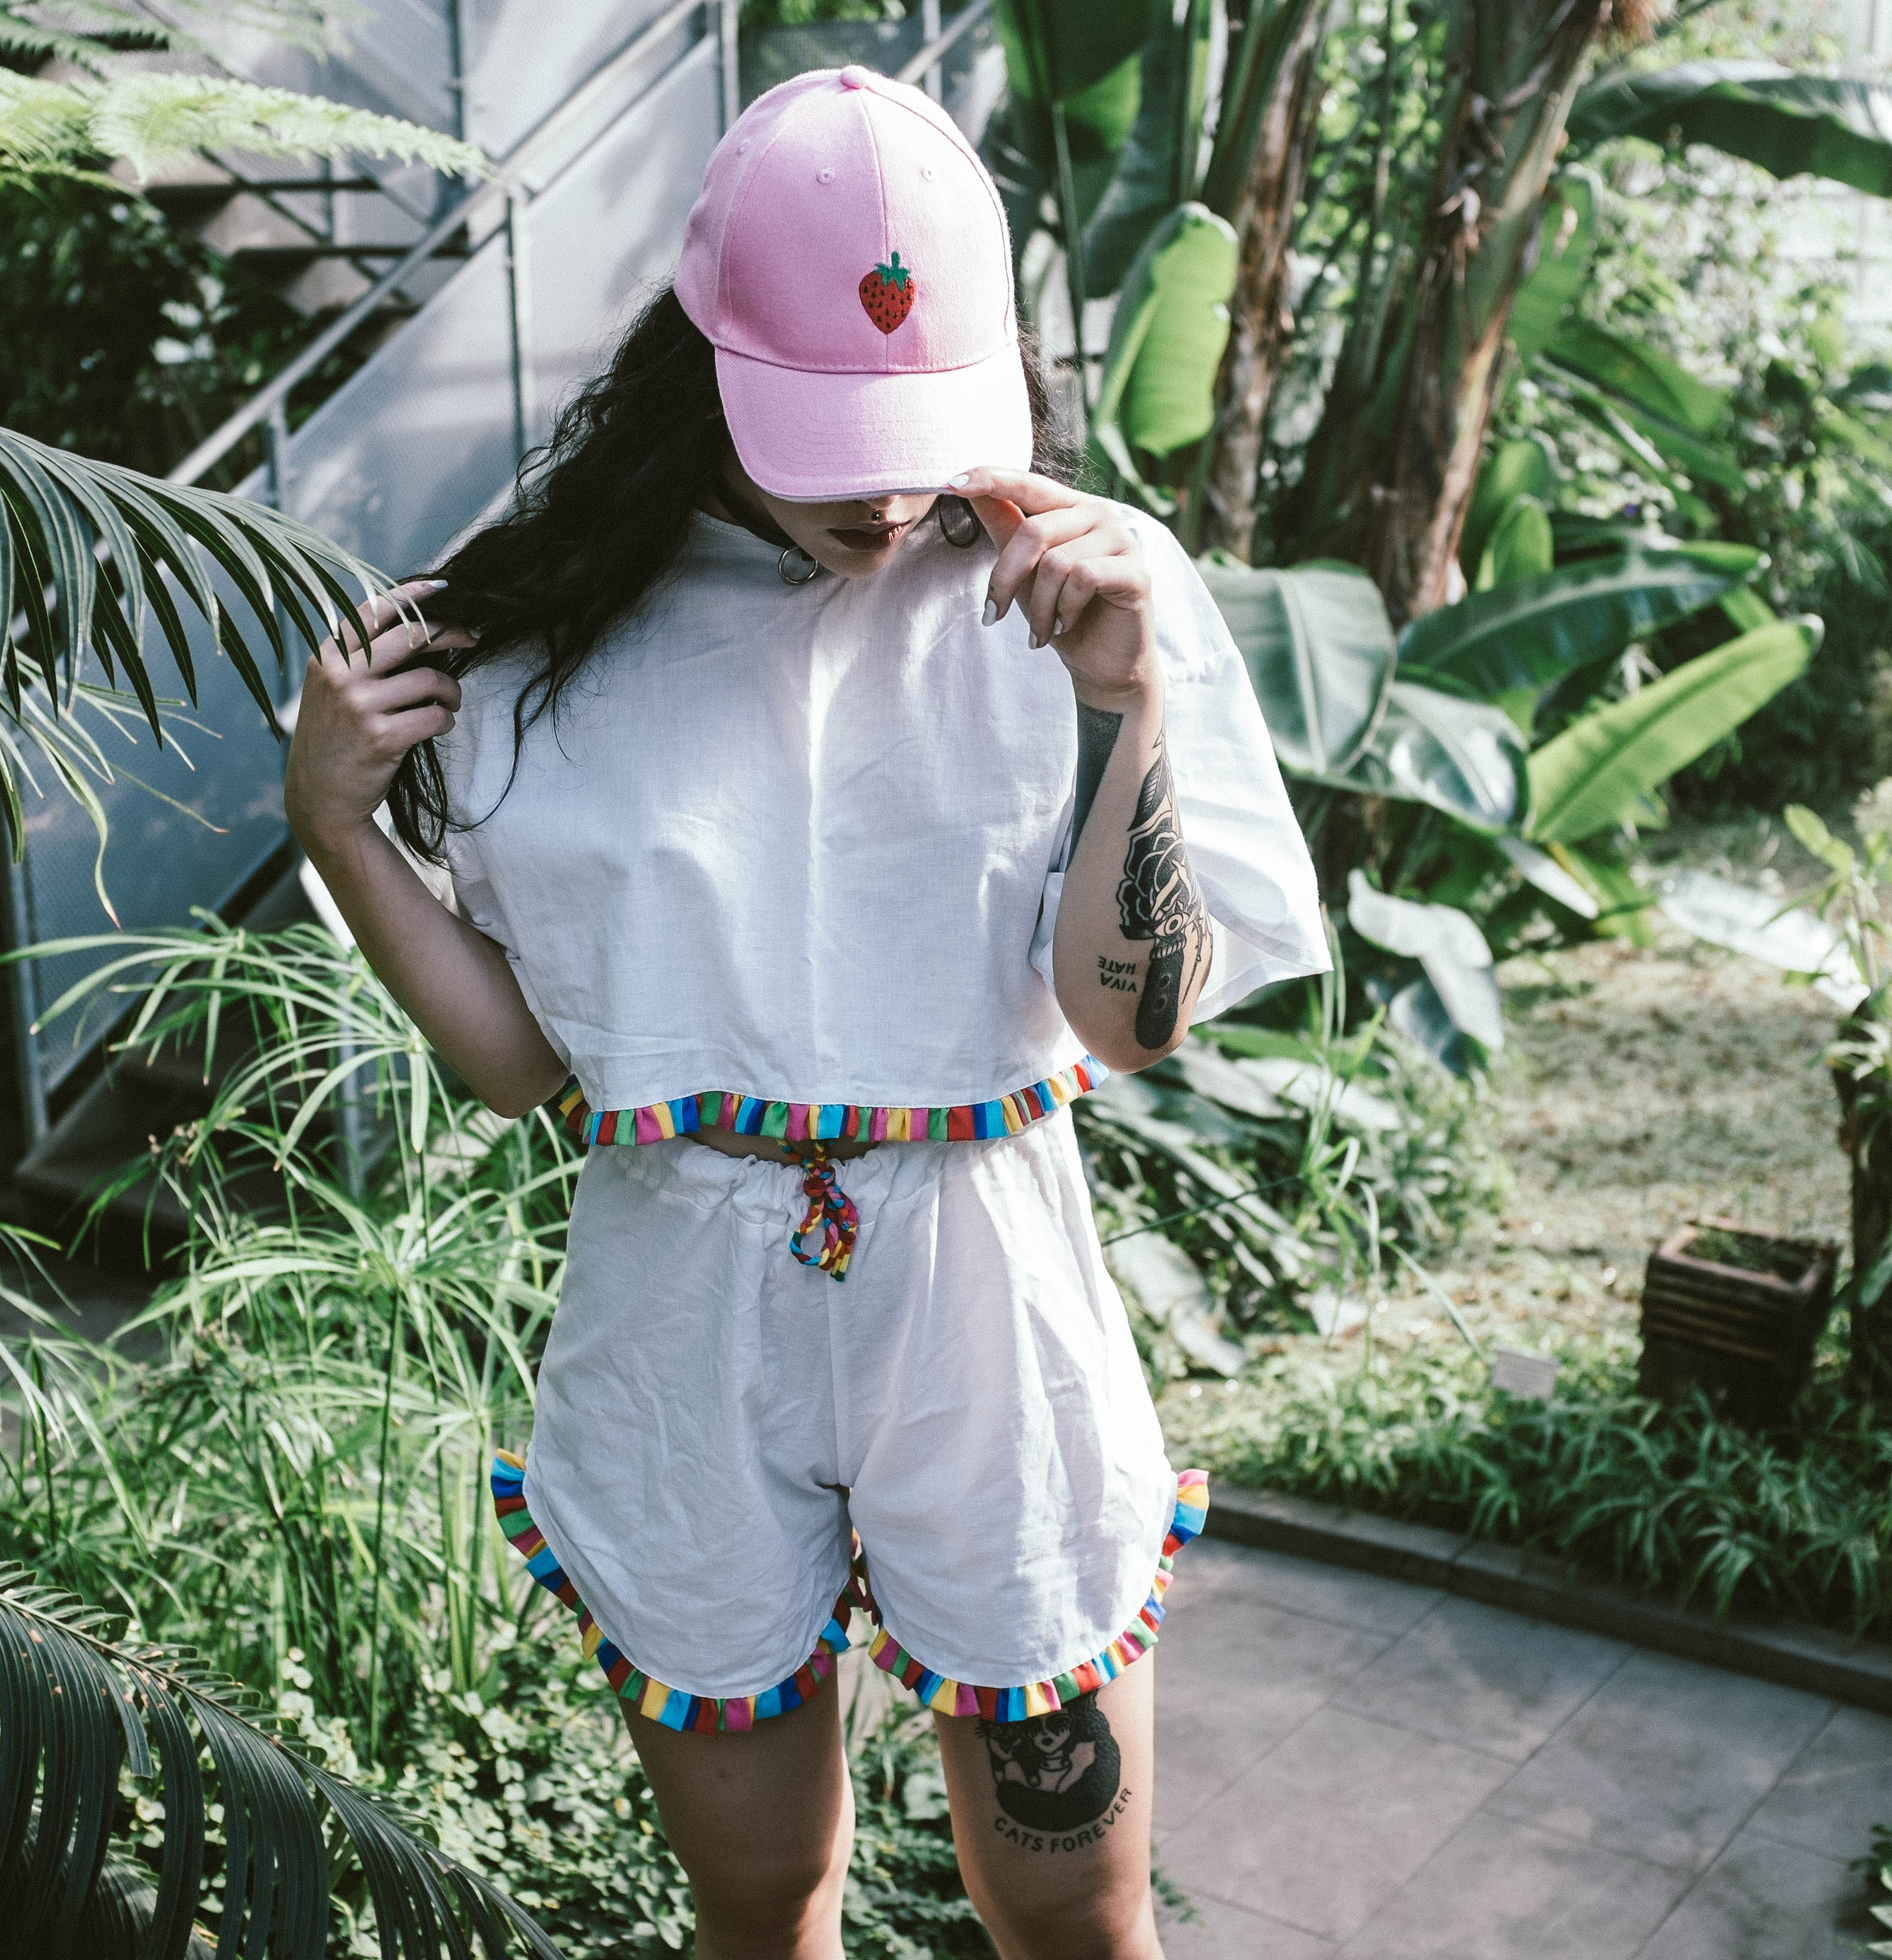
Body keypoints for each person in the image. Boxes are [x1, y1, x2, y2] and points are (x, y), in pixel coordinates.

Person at [281, 64, 1325, 1960]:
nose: (890, 488)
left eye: (921, 426)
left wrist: (1124, 709)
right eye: (831, 429)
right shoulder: (538, 640)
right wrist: (337, 826)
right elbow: (516, 1068)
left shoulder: (1087, 590)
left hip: (988, 1296)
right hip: (686, 1312)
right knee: (761, 1899)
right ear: (705, 366)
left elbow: (1134, 1024)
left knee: (1075, 1908)